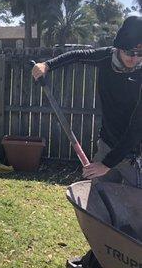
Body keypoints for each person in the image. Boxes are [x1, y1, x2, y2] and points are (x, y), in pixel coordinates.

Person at [32, 16, 142, 186]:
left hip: (135, 154)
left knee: (136, 206)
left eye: (140, 54)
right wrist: (47, 65)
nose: (134, 59)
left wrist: (106, 164)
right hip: (107, 144)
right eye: (129, 52)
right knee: (98, 199)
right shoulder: (106, 57)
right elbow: (77, 55)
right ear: (119, 47)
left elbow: (137, 129)